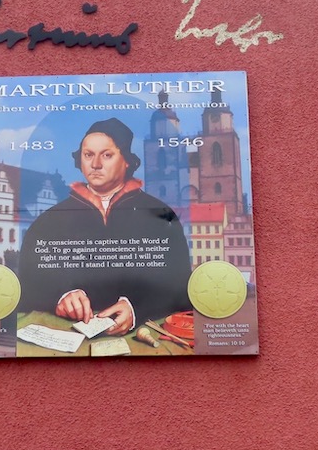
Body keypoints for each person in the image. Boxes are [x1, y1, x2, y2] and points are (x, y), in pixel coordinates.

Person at [18, 118, 192, 335]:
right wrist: (59, 296)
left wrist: (136, 308)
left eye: (107, 155)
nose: (96, 164)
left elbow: (179, 285)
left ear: (127, 161)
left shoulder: (161, 216)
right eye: (88, 155)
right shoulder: (50, 220)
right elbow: (28, 281)